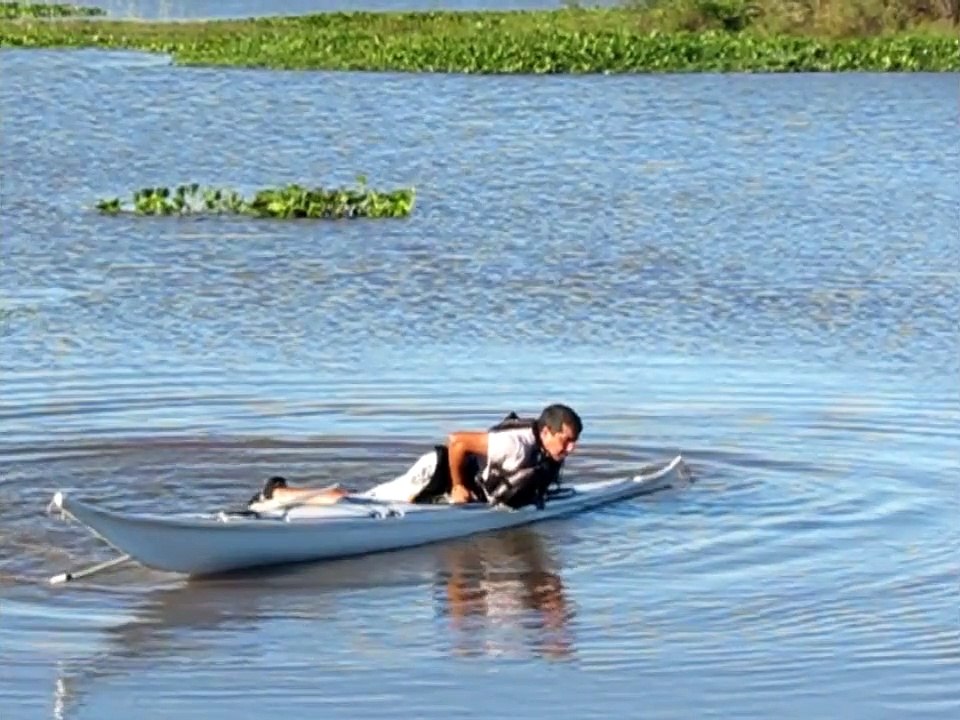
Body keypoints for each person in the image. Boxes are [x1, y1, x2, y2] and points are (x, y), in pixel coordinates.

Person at [247, 403, 583, 512]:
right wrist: (457, 487)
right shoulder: (515, 444)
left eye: (574, 442)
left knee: (364, 502)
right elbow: (457, 442)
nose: (571, 449)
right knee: (363, 505)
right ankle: (277, 493)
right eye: (566, 442)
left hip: (463, 482)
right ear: (546, 432)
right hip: (437, 471)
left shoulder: (545, 448)